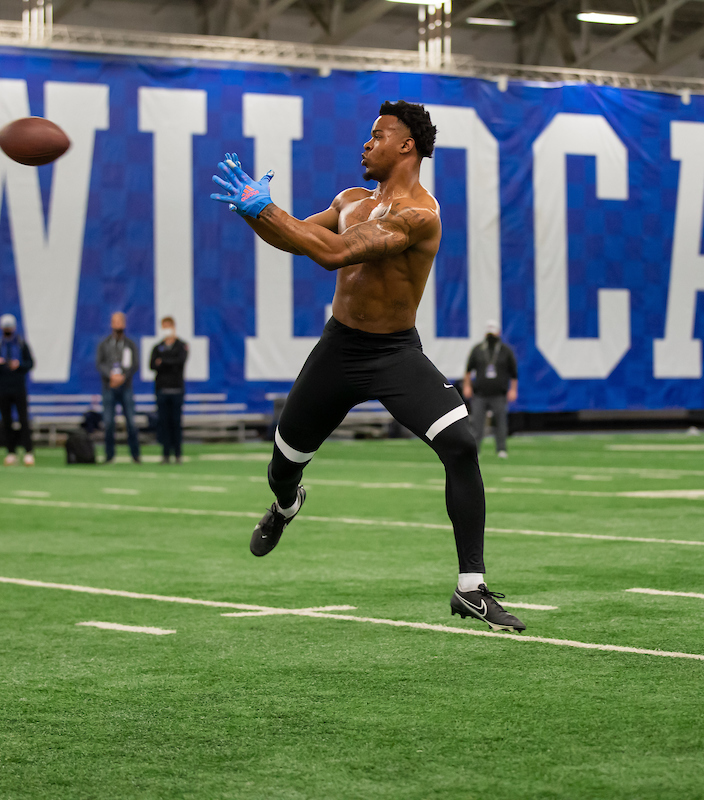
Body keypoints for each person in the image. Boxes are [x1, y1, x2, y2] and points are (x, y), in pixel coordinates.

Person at [210, 100, 524, 632]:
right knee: (282, 467)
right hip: (339, 349)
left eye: (377, 135)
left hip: (393, 353)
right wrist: (254, 212)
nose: (366, 143)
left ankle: (471, 588)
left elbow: (333, 253)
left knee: (461, 444)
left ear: (407, 145)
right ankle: (286, 505)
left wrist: (266, 209)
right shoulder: (351, 199)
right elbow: (297, 239)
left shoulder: (420, 215)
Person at [463, 320, 518, 459]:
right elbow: (468, 370)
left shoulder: (505, 351)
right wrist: (467, 386)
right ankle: (475, 450)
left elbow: (513, 373)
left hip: (499, 393)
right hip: (480, 393)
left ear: (498, 332)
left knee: (500, 423)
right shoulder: (478, 350)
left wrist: (513, 389)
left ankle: (501, 449)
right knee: (477, 424)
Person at [0, 314, 35, 466]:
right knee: (6, 421)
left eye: (9, 327)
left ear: (14, 328)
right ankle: (11, 452)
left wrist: (19, 365)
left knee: (23, 419)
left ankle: (28, 451)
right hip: (3, 388)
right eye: (5, 327)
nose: (7, 330)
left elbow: (30, 363)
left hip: (18, 387)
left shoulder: (21, 344)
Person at [96, 311, 141, 464]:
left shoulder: (130, 344)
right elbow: (100, 363)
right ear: (111, 324)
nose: (118, 325)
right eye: (115, 321)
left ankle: (135, 454)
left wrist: (123, 377)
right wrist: (111, 376)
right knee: (108, 422)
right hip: (109, 387)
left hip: (125, 386)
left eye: (120, 321)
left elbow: (134, 364)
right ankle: (109, 455)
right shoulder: (104, 344)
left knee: (131, 422)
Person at [149, 316, 188, 464]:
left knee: (176, 422)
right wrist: (169, 362)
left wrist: (163, 361)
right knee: (163, 423)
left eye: (168, 326)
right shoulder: (157, 347)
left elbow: (180, 362)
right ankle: (165, 454)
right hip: (162, 389)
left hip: (176, 389)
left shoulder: (181, 345)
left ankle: (177, 453)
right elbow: (152, 365)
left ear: (173, 327)